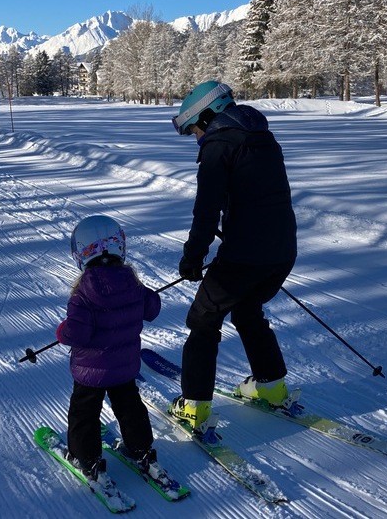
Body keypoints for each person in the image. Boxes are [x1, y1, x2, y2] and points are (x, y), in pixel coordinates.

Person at [170, 80, 298, 432]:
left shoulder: (218, 145)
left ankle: (194, 407)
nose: (196, 137)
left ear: (208, 117)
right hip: (282, 251)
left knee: (203, 320)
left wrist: (192, 258)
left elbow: (206, 212)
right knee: (246, 310)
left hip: (245, 256)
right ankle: (272, 387)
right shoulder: (263, 138)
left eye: (195, 128)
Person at [56, 215, 165, 483]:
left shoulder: (83, 292)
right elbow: (152, 309)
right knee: (129, 406)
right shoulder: (132, 282)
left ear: (80, 252)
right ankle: (141, 449)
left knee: (85, 413)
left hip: (89, 373)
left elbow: (76, 333)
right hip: (125, 367)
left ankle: (87, 458)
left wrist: (62, 331)